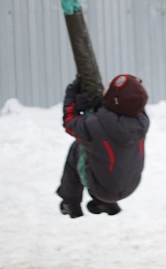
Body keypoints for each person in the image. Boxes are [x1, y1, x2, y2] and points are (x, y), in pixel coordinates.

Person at [57, 74, 149, 219]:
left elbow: (69, 122)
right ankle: (106, 204)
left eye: (107, 87)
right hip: (131, 184)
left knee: (76, 149)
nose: (104, 87)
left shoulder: (95, 126)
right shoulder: (142, 120)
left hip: (102, 190)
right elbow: (117, 110)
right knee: (108, 154)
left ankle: (70, 203)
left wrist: (72, 95)